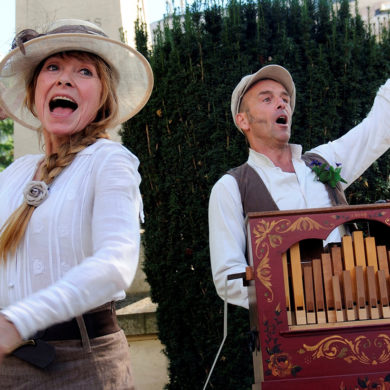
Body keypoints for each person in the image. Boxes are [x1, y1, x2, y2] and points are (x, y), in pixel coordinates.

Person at [0, 19, 153, 388]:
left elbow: (116, 263)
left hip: (84, 363)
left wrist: (18, 320)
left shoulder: (110, 161)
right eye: (52, 67)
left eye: (84, 71)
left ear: (102, 97)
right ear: (35, 90)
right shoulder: (14, 173)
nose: (65, 79)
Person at [209, 64, 390, 309]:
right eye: (267, 99)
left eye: (285, 98)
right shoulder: (231, 187)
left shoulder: (322, 161)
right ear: (243, 120)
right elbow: (228, 277)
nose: (281, 103)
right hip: (293, 329)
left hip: (360, 313)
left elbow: (377, 129)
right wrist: (299, 296)